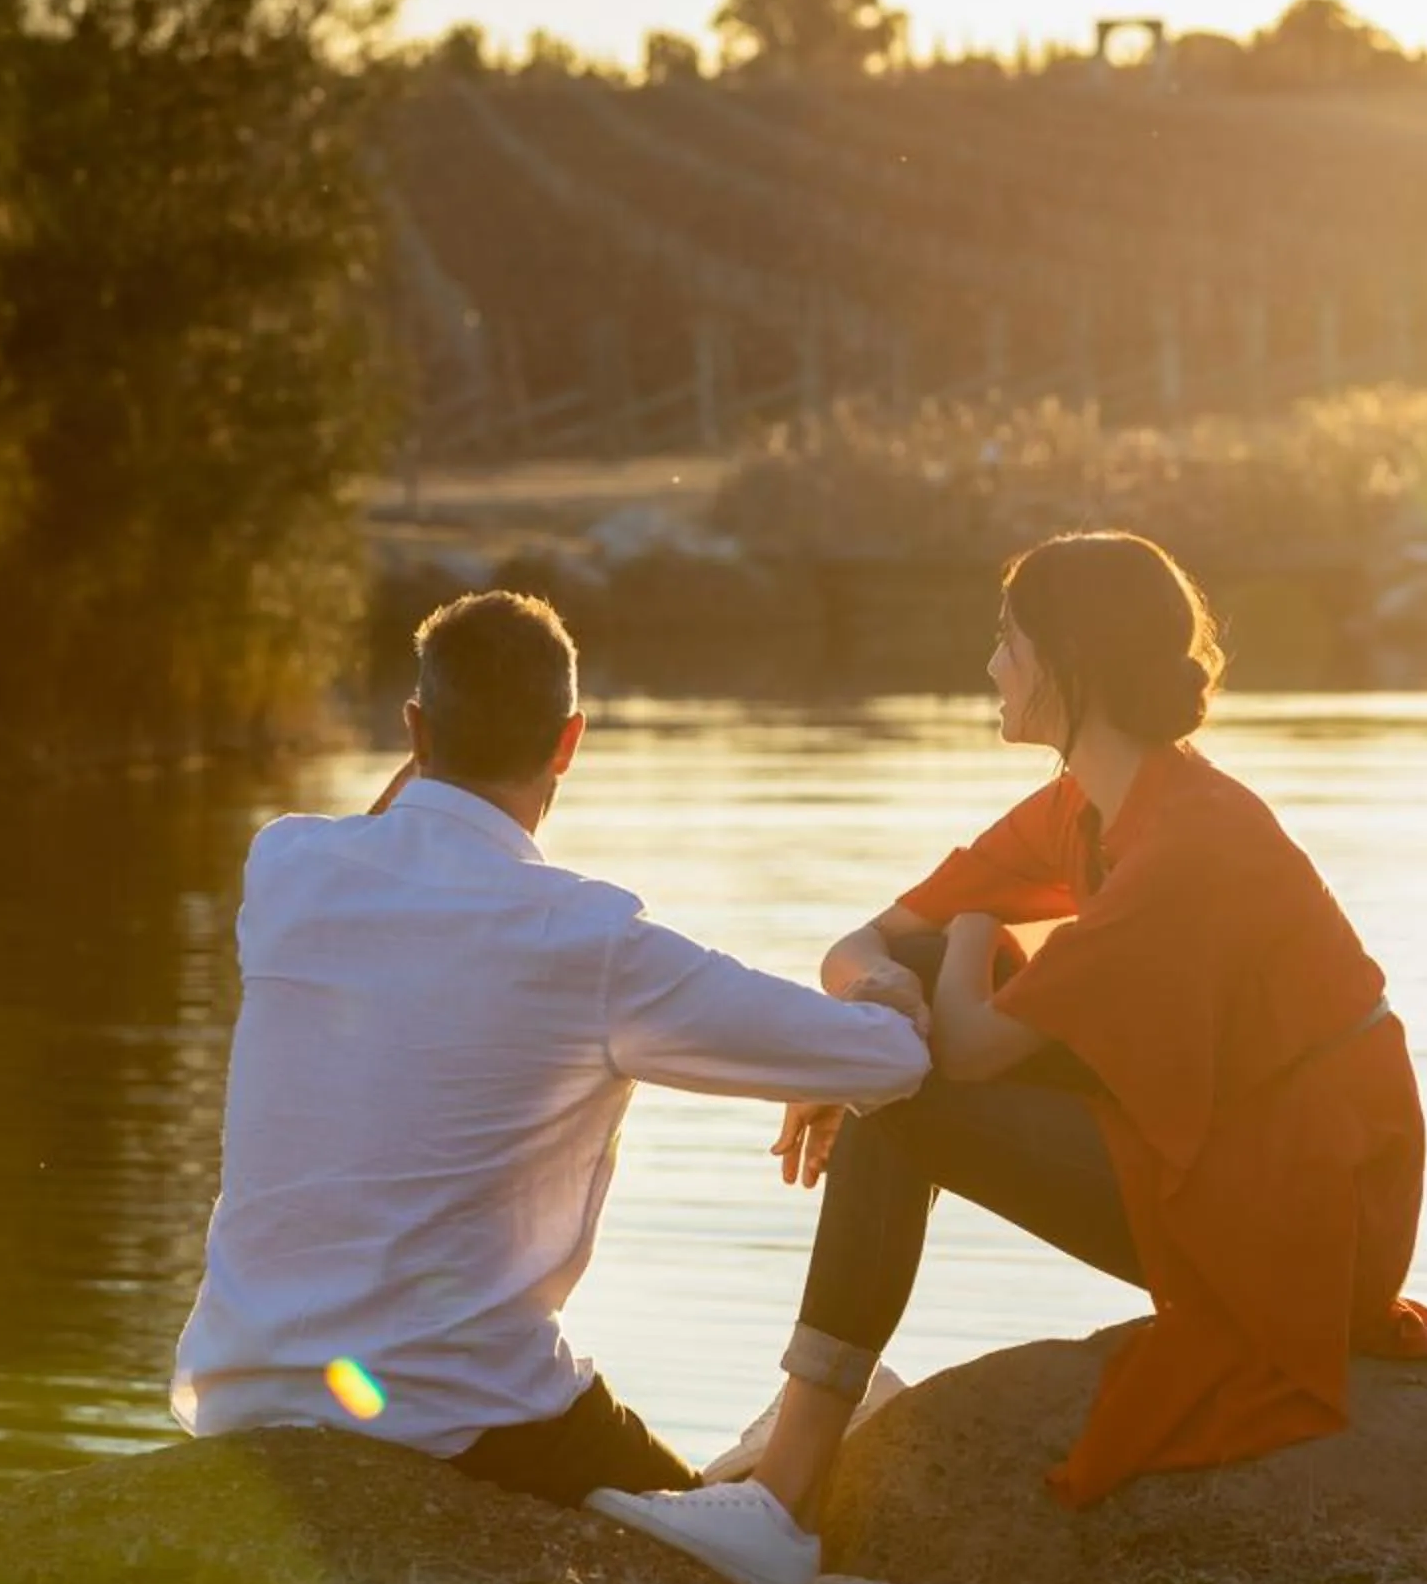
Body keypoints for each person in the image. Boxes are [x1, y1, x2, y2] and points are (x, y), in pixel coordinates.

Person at [592, 532, 1427, 1584]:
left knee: (910, 1081)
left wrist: (930, 972)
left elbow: (964, 1048)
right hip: (1225, 1150)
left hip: (1306, 1216)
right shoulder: (1089, 804)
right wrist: (880, 1008)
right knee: (913, 995)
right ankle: (813, 1433)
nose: (990, 668)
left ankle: (785, 1495)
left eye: (1007, 643)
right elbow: (862, 946)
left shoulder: (1192, 839)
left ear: (1069, 662)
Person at [170, 591, 932, 1515]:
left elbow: (382, 836)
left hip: (240, 1391)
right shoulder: (588, 938)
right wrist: (887, 981)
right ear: (569, 743)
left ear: (415, 728)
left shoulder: (285, 866)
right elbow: (893, 1064)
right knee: (719, 1540)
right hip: (466, 1414)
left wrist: (428, 757)